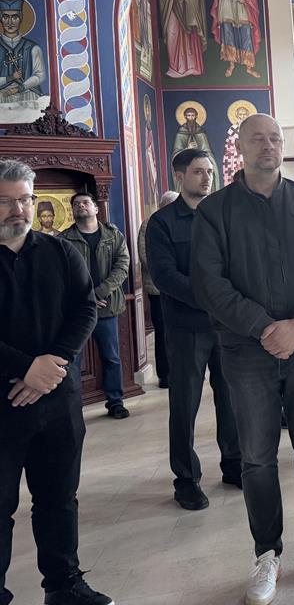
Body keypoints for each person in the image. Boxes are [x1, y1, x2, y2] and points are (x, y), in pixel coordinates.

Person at [191, 114, 294, 605]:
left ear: (284, 146)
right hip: (247, 351)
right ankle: (267, 552)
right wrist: (264, 327)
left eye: (275, 138)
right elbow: (209, 282)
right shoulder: (216, 211)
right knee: (258, 457)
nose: (268, 145)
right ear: (240, 148)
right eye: (257, 139)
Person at [0, 159, 113, 605]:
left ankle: (64, 585)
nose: (18, 210)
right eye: (6, 201)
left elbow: (84, 309)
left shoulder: (62, 252)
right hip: (3, 400)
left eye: (25, 199)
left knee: (59, 498)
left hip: (58, 398)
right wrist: (27, 368)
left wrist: (53, 364)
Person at [147, 151, 242, 511]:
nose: (206, 178)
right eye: (199, 172)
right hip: (187, 327)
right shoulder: (162, 223)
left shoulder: (222, 215)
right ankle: (186, 479)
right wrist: (211, 299)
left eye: (210, 171)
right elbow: (165, 276)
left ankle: (233, 464)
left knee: (230, 398)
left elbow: (237, 264)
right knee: (185, 404)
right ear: (180, 176)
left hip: (226, 326)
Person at [62, 193, 131, 420]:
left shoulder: (113, 235)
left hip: (106, 306)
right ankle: (73, 406)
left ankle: (115, 402)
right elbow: (61, 275)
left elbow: (122, 265)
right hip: (77, 311)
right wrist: (85, 297)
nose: (81, 206)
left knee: (111, 357)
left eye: (85, 203)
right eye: (76, 204)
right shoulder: (64, 240)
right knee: (73, 362)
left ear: (96, 208)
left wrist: (99, 292)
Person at [138, 190, 178, 389]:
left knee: (180, 331)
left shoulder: (179, 221)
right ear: (164, 205)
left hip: (180, 288)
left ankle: (180, 371)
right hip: (158, 288)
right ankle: (165, 374)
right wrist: (170, 272)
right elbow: (146, 255)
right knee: (162, 332)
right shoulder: (150, 223)